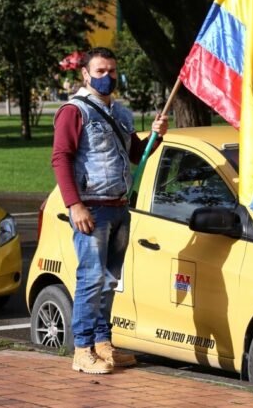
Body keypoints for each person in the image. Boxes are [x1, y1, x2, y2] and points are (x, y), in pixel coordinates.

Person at [51, 47, 168, 374]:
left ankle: (104, 344)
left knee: (110, 280)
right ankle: (83, 349)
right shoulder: (74, 112)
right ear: (85, 75)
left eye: (112, 71)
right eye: (100, 72)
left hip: (119, 208)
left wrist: (155, 138)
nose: (108, 77)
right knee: (90, 279)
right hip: (92, 209)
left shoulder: (121, 112)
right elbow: (60, 158)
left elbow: (134, 154)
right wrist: (75, 205)